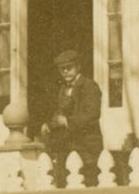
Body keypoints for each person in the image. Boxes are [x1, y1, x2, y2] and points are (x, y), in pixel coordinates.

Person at [41, 49, 103, 185]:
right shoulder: (63, 89)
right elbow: (61, 114)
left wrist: (67, 121)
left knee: (87, 183)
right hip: (68, 144)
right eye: (62, 69)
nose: (65, 72)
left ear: (78, 67)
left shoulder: (89, 86)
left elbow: (92, 115)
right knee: (66, 182)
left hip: (87, 145)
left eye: (69, 68)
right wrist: (50, 125)